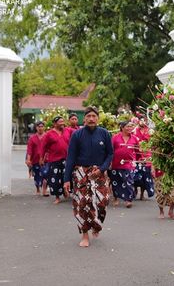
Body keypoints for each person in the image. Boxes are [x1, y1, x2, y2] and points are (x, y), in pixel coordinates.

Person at [64, 106, 113, 247]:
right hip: (81, 174)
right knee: (82, 204)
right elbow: (71, 158)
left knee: (102, 203)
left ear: (98, 118)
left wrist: (102, 169)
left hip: (99, 173)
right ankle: (85, 234)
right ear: (84, 119)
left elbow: (110, 154)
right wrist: (66, 179)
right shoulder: (77, 135)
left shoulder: (104, 133)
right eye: (88, 116)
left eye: (94, 116)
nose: (91, 119)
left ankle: (96, 225)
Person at [109, 121, 139, 208]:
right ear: (122, 127)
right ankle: (115, 198)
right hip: (116, 163)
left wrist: (138, 161)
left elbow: (138, 151)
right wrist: (110, 162)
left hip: (129, 164)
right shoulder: (115, 138)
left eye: (131, 126)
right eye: (127, 126)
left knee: (129, 181)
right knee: (116, 181)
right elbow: (111, 151)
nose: (130, 128)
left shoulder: (134, 139)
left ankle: (128, 200)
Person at [40, 116, 69, 204]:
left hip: (66, 159)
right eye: (60, 122)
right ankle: (57, 197)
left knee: (66, 176)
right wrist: (41, 158)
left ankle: (65, 191)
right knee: (55, 179)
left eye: (63, 121)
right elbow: (43, 147)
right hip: (54, 160)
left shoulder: (68, 131)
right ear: (55, 124)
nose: (62, 123)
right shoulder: (49, 134)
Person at [133, 116, 155, 200]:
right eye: (141, 120)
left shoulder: (149, 131)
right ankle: (135, 190)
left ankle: (142, 194)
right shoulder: (135, 130)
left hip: (146, 154)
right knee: (136, 174)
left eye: (144, 120)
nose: (142, 122)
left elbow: (151, 142)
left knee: (145, 175)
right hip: (137, 154)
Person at [25, 121, 45, 195]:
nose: (40, 128)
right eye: (39, 126)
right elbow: (29, 150)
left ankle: (44, 189)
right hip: (35, 160)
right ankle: (38, 189)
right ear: (36, 128)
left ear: (44, 127)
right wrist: (28, 159)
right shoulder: (32, 138)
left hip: (45, 160)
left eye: (42, 126)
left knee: (45, 174)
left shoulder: (47, 136)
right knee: (37, 175)